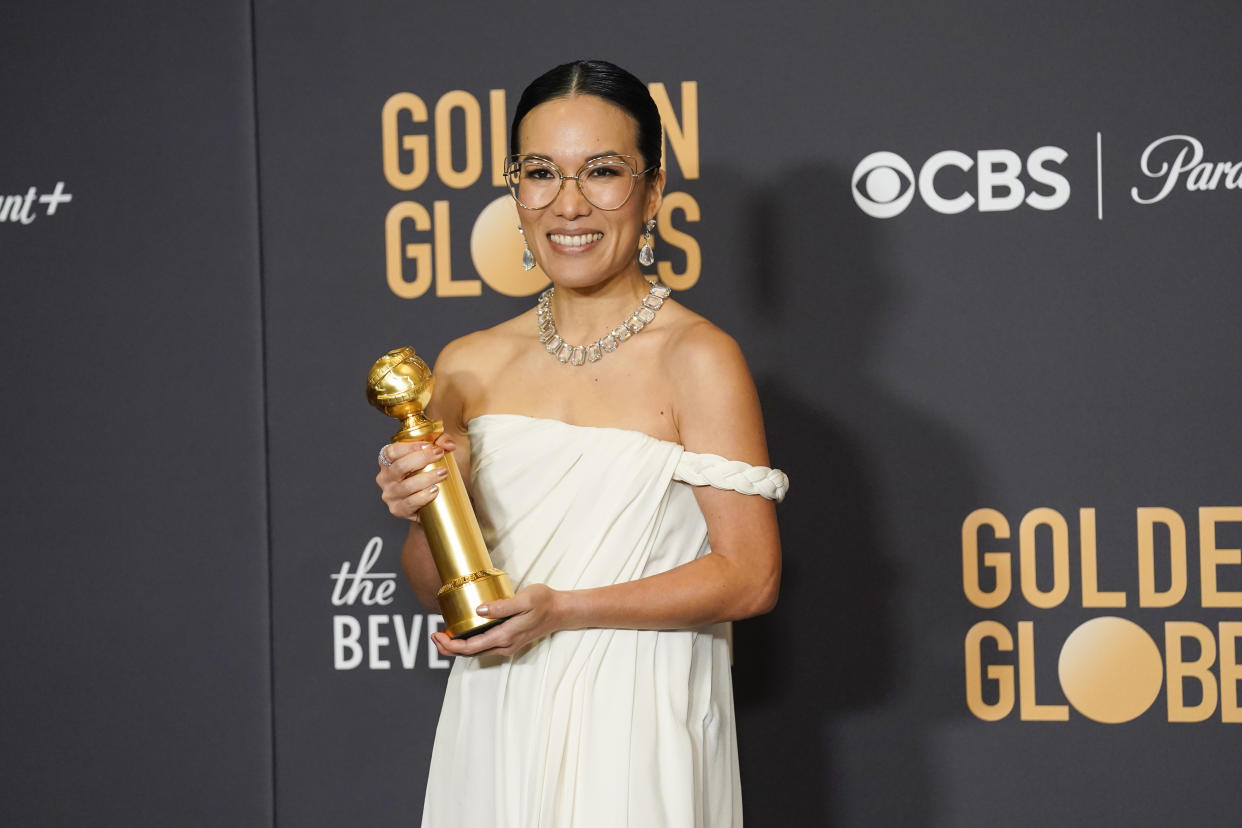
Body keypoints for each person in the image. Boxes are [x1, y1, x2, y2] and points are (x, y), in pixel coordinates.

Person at [375, 59, 787, 828]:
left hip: (638, 722)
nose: (569, 204)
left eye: (602, 171)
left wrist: (563, 609)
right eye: (541, 173)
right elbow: (437, 586)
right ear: (515, 194)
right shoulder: (467, 364)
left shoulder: (696, 359)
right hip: (497, 717)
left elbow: (751, 576)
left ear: (653, 191)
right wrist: (426, 509)